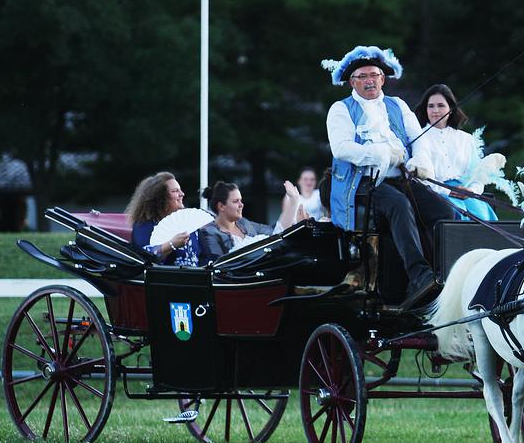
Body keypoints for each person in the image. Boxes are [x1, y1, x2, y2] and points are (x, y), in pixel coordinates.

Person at [322, 45, 453, 308]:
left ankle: (446, 275)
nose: (370, 81)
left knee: (444, 211)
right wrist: (382, 153)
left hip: (402, 178)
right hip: (362, 183)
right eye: (363, 76)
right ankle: (419, 276)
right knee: (399, 205)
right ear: (352, 81)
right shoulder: (341, 109)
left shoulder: (398, 105)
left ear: (383, 78)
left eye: (374, 75)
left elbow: (420, 140)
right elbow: (342, 148)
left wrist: (420, 161)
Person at [411, 84, 503, 221]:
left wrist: (472, 191)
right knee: (456, 220)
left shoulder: (466, 139)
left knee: (486, 220)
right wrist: (449, 191)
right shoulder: (418, 138)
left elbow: (477, 174)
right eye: (431, 106)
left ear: (451, 109)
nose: (435, 110)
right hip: (437, 195)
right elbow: (421, 178)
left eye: (441, 105)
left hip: (468, 195)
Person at [198, 180, 306, 263]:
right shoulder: (209, 231)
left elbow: (275, 233)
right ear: (221, 206)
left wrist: (294, 202)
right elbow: (219, 264)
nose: (241, 205)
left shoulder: (243, 223)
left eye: (241, 200)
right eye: (236, 201)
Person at [125, 171, 200, 265]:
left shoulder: (189, 224)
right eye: (175, 191)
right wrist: (171, 245)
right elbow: (142, 256)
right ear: (160, 198)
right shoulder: (145, 224)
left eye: (180, 190)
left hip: (197, 277)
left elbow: (204, 257)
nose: (182, 194)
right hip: (164, 277)